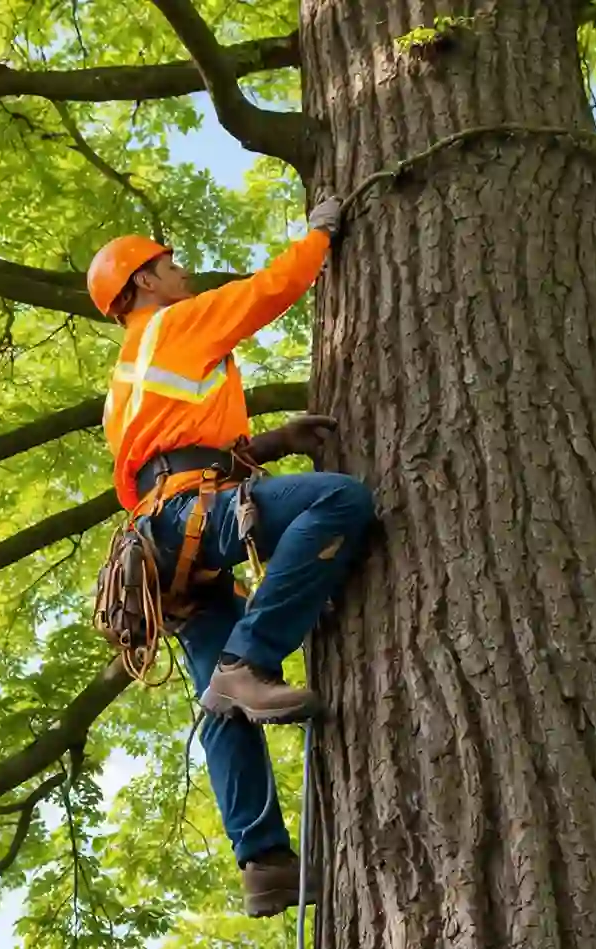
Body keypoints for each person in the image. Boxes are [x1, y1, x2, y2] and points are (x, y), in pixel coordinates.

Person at [88, 197, 375, 917]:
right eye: (168, 264)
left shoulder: (127, 378)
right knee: (340, 500)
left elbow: (180, 445)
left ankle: (265, 861)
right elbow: (267, 291)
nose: (181, 272)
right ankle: (253, 660)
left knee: (221, 700)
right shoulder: (174, 323)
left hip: (162, 541)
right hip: (189, 516)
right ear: (142, 285)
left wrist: (275, 443)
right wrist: (320, 233)